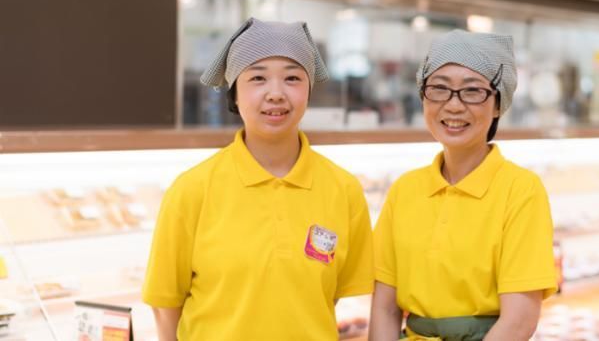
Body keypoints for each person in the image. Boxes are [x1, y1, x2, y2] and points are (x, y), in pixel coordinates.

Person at [142, 18, 374, 340]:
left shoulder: (343, 190)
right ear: (235, 94)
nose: (275, 94)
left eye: (292, 78)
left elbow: (329, 296)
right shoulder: (192, 189)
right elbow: (165, 304)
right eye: (257, 78)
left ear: (308, 90)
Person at [369, 30, 557, 341]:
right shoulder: (405, 190)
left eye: (472, 91)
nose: (453, 106)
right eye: (439, 88)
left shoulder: (521, 190)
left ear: (497, 104)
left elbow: (519, 321)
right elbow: (385, 308)